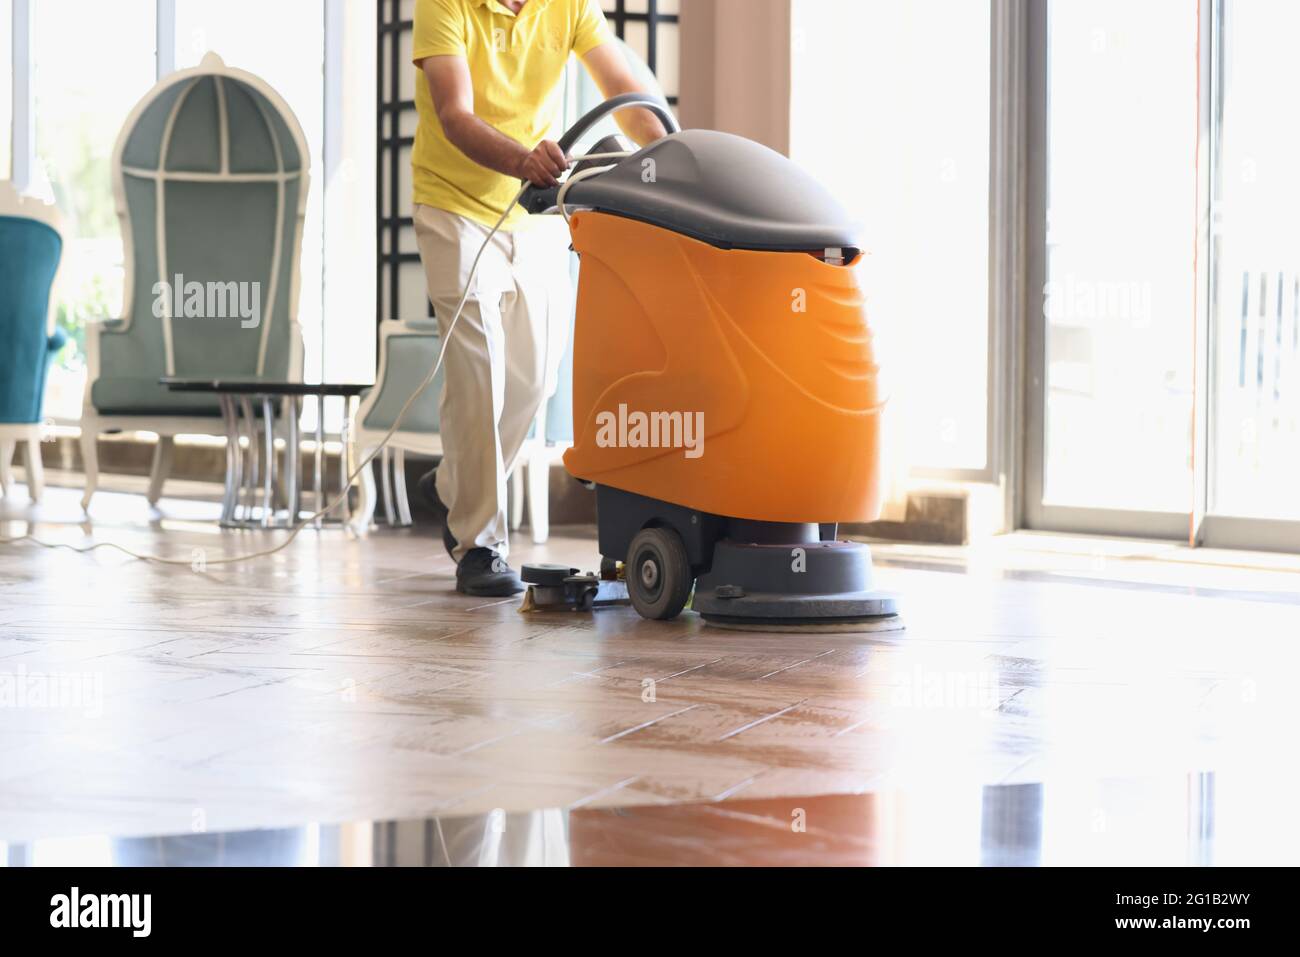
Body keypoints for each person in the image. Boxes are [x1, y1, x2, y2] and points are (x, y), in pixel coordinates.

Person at [410, 0, 668, 596]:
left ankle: (453, 487)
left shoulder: (568, 5)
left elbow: (623, 86)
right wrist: (522, 157)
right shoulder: (441, 5)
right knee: (481, 369)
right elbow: (453, 114)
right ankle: (479, 544)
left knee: (535, 379)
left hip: (534, 211)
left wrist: (668, 151)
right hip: (453, 207)